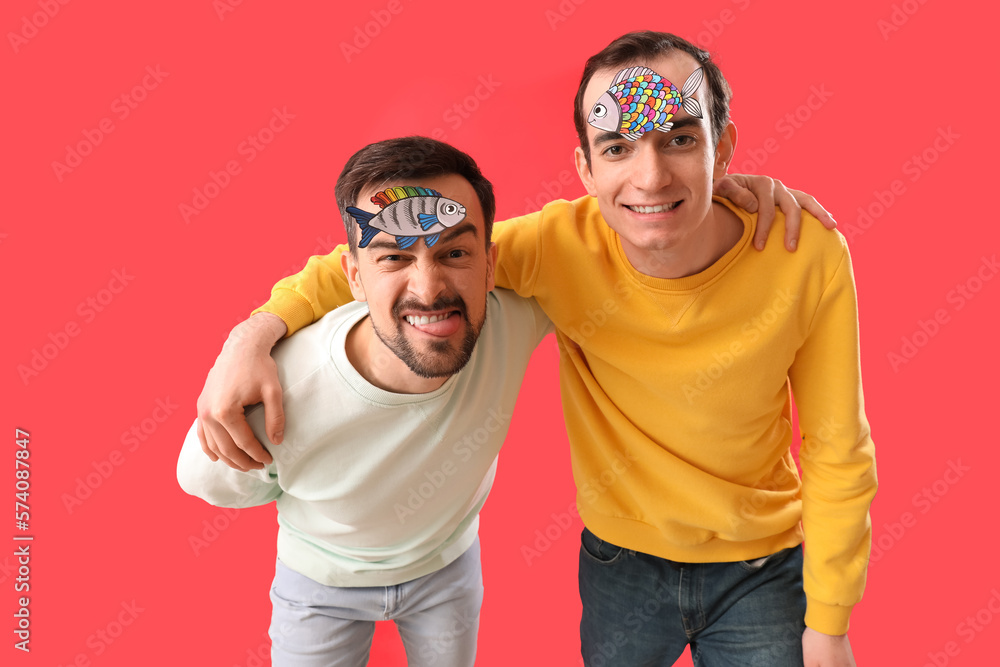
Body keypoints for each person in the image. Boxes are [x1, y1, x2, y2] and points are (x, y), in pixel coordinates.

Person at [197, 32, 876, 667]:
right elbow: (381, 259)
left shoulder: (802, 253)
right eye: (616, 148)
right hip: (622, 566)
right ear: (584, 166)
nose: (649, 177)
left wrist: (831, 622)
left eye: (678, 138)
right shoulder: (558, 246)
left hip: (764, 567)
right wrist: (253, 332)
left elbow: (837, 447)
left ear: (722, 150)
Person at [177, 137, 553, 666]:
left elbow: (626, 236)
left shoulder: (513, 318)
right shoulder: (281, 387)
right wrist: (248, 340)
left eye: (455, 253)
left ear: (490, 266)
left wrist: (714, 195)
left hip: (447, 567)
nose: (429, 287)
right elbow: (205, 479)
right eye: (395, 257)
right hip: (319, 583)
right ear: (353, 275)